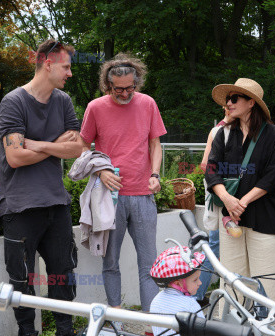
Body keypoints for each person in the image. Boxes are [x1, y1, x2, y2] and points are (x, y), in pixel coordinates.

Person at [0, 39, 82, 336]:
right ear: (48, 64)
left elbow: (78, 150)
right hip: (19, 205)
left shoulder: (63, 101)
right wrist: (57, 146)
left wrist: (44, 144)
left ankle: (64, 331)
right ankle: (27, 333)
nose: (70, 73)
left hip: (56, 203)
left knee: (63, 275)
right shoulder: (13, 102)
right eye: (66, 66)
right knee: (22, 280)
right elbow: (16, 157)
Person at [80, 53, 166, 334]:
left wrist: (154, 174)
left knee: (149, 264)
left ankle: (152, 324)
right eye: (119, 89)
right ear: (108, 84)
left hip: (143, 195)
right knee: (110, 262)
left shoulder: (148, 103)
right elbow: (83, 148)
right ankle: (116, 323)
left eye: (131, 87)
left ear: (136, 81)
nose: (126, 93)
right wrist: (100, 171)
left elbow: (155, 144)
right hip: (108, 197)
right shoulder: (95, 107)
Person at [205, 78, 275, 302]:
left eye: (234, 99)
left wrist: (240, 202)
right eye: (227, 100)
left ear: (251, 102)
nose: (228, 104)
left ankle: (270, 327)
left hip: (264, 216)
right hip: (231, 219)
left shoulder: (272, 134)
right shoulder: (223, 133)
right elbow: (211, 171)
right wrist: (226, 199)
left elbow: (274, 175)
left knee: (269, 283)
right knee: (233, 283)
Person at [195, 106, 234, 304]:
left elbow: (204, 165)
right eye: (229, 102)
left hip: (223, 199)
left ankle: (197, 295)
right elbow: (205, 165)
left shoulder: (219, 129)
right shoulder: (219, 131)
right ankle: (197, 295)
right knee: (216, 245)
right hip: (224, 200)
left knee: (215, 246)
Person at [149, 245, 205, 336]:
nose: (200, 283)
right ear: (178, 283)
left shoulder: (156, 301)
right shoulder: (190, 304)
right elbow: (203, 331)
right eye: (195, 280)